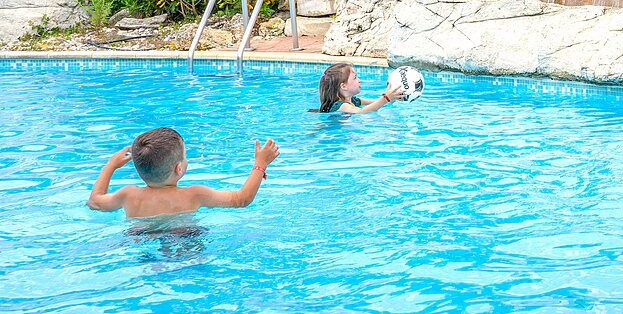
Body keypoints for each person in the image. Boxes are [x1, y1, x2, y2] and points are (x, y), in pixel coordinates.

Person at [87, 127, 279, 218]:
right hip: (185, 238)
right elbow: (242, 199)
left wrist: (110, 166)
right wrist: (260, 163)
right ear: (179, 168)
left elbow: (94, 202)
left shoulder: (128, 195)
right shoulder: (194, 194)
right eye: (185, 156)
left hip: (140, 238)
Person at [313, 62, 405, 114]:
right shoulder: (342, 106)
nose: (359, 80)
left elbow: (377, 103)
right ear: (343, 86)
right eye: (355, 78)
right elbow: (362, 112)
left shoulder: (355, 101)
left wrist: (393, 97)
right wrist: (386, 98)